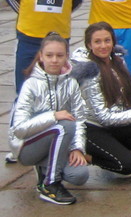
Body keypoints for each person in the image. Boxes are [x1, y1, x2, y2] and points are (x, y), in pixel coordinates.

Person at [9, 33, 89, 205]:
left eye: (59, 55)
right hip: (27, 147)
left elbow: (80, 119)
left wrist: (77, 148)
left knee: (80, 175)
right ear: (41, 56)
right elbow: (19, 129)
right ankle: (49, 184)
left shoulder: (71, 83)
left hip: (58, 143)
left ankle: (45, 168)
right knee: (64, 125)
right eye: (49, 55)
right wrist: (52, 116)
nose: (54, 60)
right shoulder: (31, 84)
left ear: (66, 57)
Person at [71, 22, 131, 177]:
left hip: (111, 124)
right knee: (128, 165)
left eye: (107, 40)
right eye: (97, 42)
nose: (103, 46)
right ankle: (90, 157)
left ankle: (115, 148)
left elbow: (123, 102)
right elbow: (103, 117)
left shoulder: (118, 61)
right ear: (89, 45)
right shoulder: (89, 72)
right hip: (92, 127)